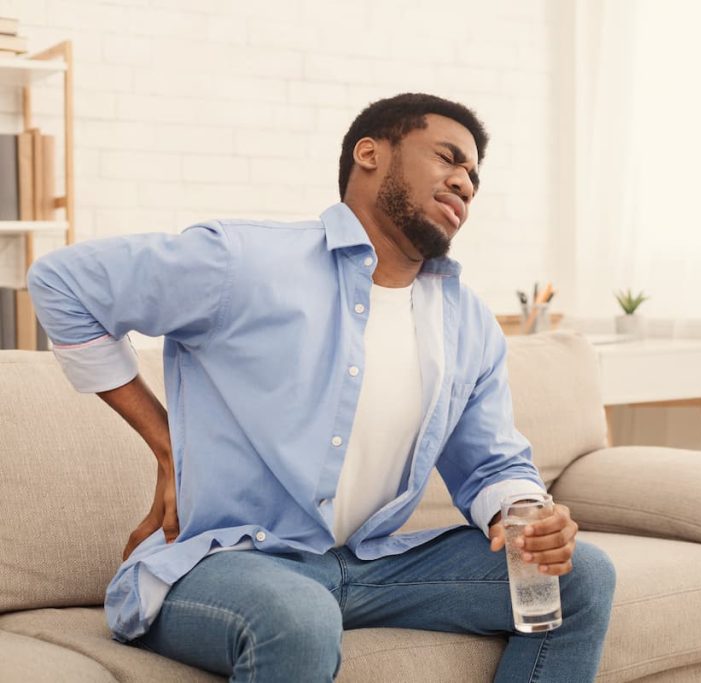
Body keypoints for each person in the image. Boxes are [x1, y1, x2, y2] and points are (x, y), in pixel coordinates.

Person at [27, 93, 616, 682]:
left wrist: (528, 515)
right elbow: (62, 284)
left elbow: (490, 464)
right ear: (370, 154)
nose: (464, 182)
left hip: (366, 565)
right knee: (299, 615)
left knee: (579, 580)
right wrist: (166, 446)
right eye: (447, 158)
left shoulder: (467, 323)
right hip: (227, 562)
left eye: (473, 177)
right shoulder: (247, 261)